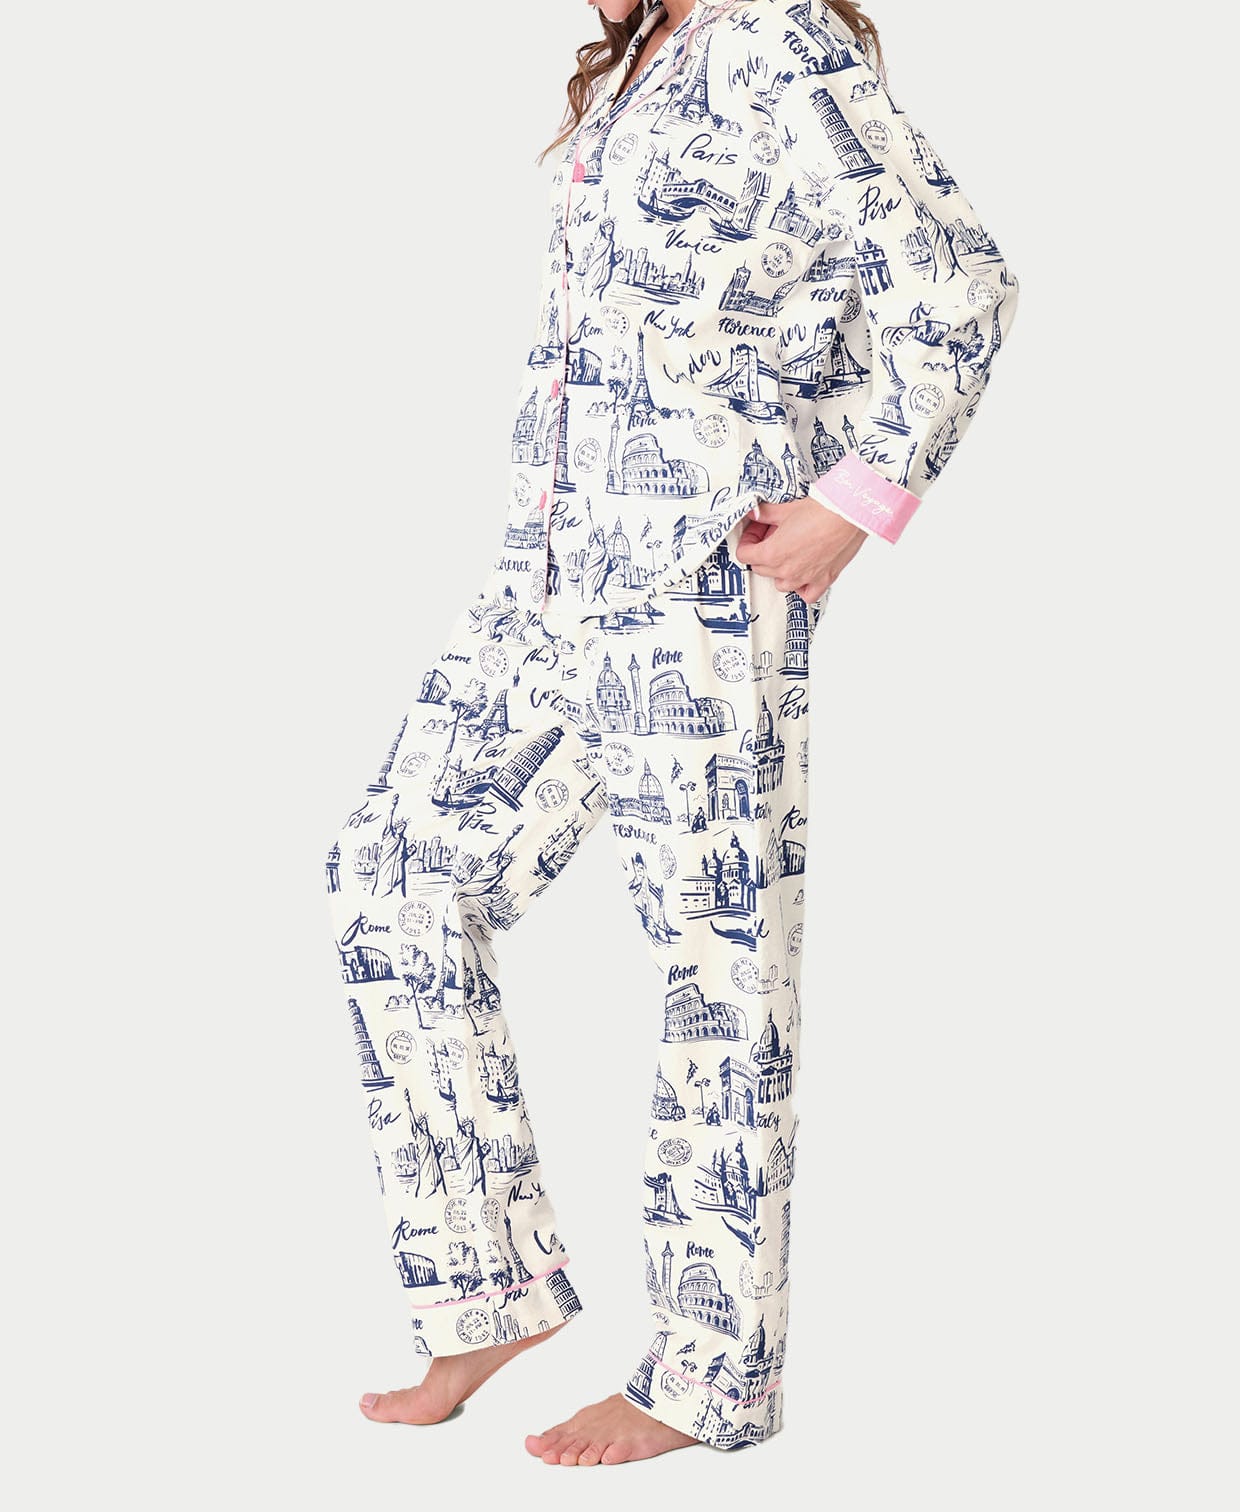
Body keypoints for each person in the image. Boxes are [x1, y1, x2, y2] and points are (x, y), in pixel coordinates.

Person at [322, 0, 1020, 1465]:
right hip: (545, 579)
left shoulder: (775, 35)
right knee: (390, 880)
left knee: (717, 968)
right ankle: (487, 1289)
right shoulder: (642, 55)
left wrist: (852, 506)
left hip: (699, 583)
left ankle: (710, 1378)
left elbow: (956, 283)